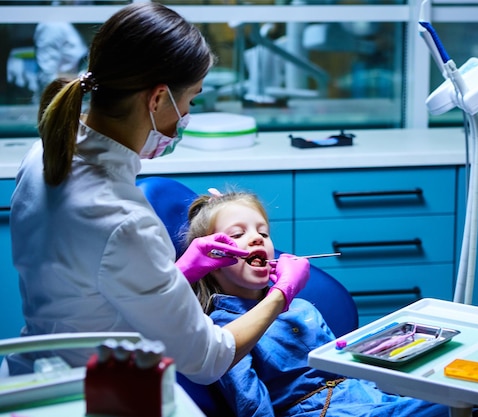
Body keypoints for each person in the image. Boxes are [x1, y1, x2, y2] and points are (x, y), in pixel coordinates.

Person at [8, 2, 309, 385]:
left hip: (33, 375)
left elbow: (95, 288)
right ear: (157, 99)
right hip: (96, 394)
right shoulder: (122, 219)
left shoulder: (47, 151)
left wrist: (180, 271)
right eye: (191, 100)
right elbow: (209, 359)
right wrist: (281, 295)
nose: (187, 115)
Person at [183, 189, 450, 417]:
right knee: (454, 407)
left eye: (263, 233)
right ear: (213, 261)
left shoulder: (302, 308)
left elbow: (343, 366)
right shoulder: (225, 331)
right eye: (238, 234)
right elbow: (252, 404)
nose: (256, 238)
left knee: (458, 396)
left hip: (369, 400)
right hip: (320, 411)